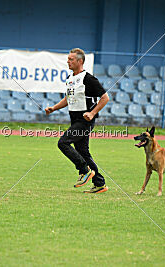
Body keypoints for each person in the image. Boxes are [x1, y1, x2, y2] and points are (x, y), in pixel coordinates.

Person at [45, 48, 109, 194]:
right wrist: (54, 108)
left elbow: (105, 98)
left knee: (63, 143)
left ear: (80, 61)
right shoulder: (70, 78)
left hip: (84, 121)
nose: (68, 61)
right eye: (68, 59)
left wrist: (92, 113)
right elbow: (68, 99)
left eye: (71, 59)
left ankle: (84, 170)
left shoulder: (88, 79)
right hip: (75, 120)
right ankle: (100, 184)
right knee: (83, 152)